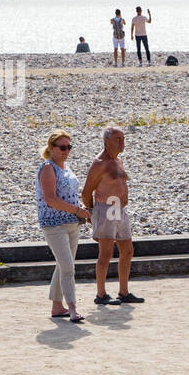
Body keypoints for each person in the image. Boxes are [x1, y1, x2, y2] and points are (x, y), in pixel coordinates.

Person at [81, 126, 143, 305]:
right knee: (106, 253)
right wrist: (91, 212)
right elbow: (87, 191)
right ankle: (101, 293)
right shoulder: (99, 163)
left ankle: (124, 291)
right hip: (105, 208)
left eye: (123, 138)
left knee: (127, 250)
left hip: (119, 208)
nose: (122, 142)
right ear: (106, 141)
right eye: (118, 139)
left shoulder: (117, 160)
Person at [36, 130, 91, 321]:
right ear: (51, 148)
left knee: (63, 265)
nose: (66, 151)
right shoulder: (47, 167)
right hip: (54, 224)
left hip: (71, 223)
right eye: (62, 147)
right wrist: (76, 210)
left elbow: (70, 196)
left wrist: (80, 208)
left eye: (69, 147)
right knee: (67, 266)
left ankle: (57, 306)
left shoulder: (66, 168)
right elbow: (50, 199)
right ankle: (73, 307)